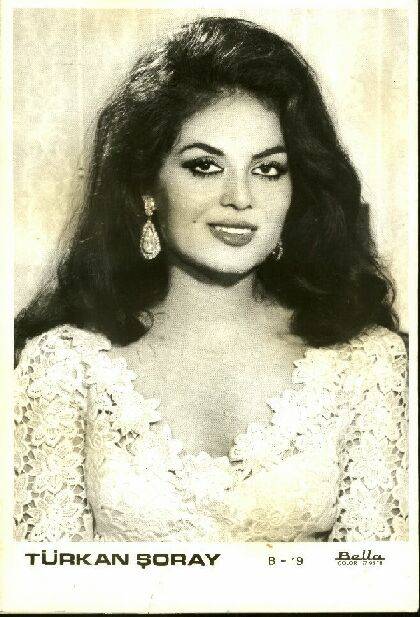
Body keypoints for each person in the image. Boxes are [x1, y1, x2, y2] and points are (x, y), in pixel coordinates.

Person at [14, 16, 408, 542]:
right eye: (204, 166)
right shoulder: (63, 366)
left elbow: (375, 576)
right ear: (147, 188)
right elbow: (46, 579)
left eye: (268, 169)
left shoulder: (368, 363)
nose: (240, 199)